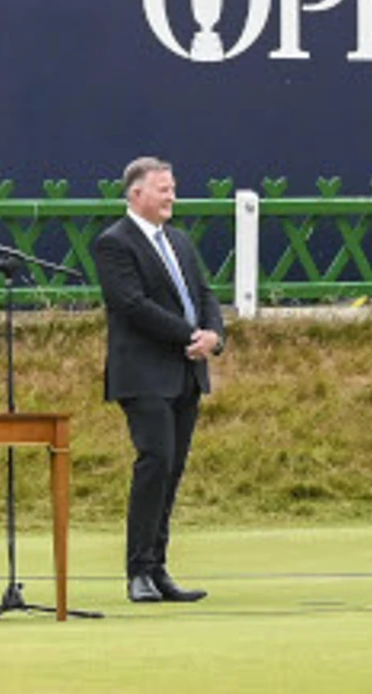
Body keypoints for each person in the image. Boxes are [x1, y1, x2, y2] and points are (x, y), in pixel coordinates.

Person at [91, 154, 222, 605]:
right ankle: (138, 571)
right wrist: (189, 334)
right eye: (163, 188)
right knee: (156, 460)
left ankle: (158, 567)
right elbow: (132, 305)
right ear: (136, 193)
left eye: (173, 187)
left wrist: (212, 337)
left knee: (173, 468)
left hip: (186, 372)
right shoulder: (114, 243)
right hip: (144, 374)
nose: (172, 196)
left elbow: (204, 294)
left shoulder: (180, 241)